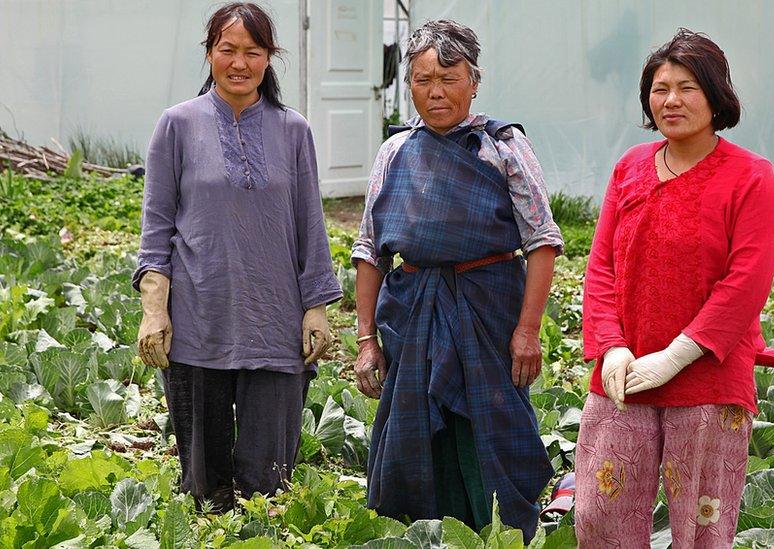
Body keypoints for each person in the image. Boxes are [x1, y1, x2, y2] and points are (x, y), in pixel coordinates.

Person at [575, 28, 774, 547]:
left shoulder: (751, 177)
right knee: (598, 516)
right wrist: (609, 347)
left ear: (717, 96)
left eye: (688, 87)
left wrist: (676, 356)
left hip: (708, 381)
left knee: (700, 530)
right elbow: (601, 265)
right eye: (660, 87)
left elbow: (746, 283)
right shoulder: (629, 167)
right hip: (624, 378)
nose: (671, 99)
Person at [351, 19, 564, 542]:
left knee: (492, 422)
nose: (436, 92)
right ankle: (422, 528)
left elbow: (541, 240)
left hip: (489, 308)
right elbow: (369, 248)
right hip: (414, 308)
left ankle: (498, 529)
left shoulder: (503, 147)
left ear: (474, 80)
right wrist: (365, 340)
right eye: (423, 80)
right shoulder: (395, 151)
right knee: (415, 423)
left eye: (449, 77)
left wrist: (529, 330)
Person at [133, 2, 341, 512]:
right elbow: (156, 230)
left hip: (273, 320)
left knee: (267, 486)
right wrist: (154, 310)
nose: (240, 62)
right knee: (204, 488)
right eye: (228, 49)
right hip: (198, 320)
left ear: (270, 59)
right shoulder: (176, 125)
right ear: (209, 54)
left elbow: (309, 225)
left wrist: (316, 307)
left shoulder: (294, 130)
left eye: (253, 51)